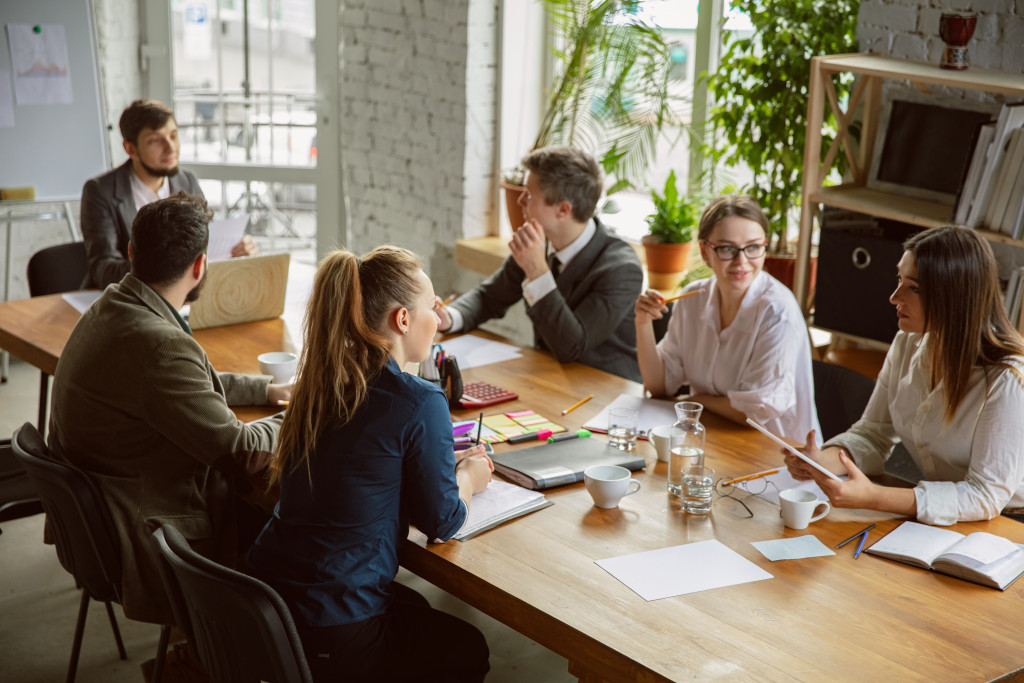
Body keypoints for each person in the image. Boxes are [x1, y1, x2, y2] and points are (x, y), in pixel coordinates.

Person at [48, 193, 290, 680]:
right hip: (145, 530)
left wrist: (266, 390)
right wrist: (304, 412)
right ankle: (212, 655)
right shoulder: (160, 345)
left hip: (102, 513)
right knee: (295, 526)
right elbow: (242, 453)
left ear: (132, 252)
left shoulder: (115, 304)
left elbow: (181, 380)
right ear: (201, 265)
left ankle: (206, 649)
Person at [246, 246, 492, 682]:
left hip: (266, 607)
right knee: (469, 647)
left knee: (415, 606)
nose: (439, 318)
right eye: (433, 306)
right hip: (331, 629)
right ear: (403, 319)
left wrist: (432, 465)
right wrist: (469, 477)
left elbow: (361, 464)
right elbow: (443, 521)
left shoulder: (323, 381)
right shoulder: (419, 401)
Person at [785, 226, 1024, 526]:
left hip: (1007, 523)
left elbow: (985, 495)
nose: (894, 297)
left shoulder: (1007, 379)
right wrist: (821, 461)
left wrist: (874, 497)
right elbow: (873, 434)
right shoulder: (907, 343)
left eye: (914, 288)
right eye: (900, 279)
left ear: (954, 297)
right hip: (946, 517)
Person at [436, 146, 643, 381]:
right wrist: (450, 317)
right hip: (548, 376)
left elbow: (571, 346)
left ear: (563, 209)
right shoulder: (540, 242)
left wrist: (537, 270)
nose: (520, 200)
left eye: (530, 194)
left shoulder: (621, 269)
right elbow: (490, 297)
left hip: (605, 388)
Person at [634, 195, 820, 442]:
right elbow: (659, 385)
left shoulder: (777, 312)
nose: (741, 261)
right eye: (727, 249)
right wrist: (643, 323)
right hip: (712, 435)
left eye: (753, 247)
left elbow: (754, 412)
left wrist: (695, 401)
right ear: (705, 251)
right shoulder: (692, 298)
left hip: (778, 449)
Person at [80, 98, 256, 289]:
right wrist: (167, 267)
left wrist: (235, 250)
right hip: (128, 296)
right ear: (130, 148)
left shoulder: (186, 181)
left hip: (183, 295)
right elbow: (103, 269)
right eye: (155, 140)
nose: (170, 148)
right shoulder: (101, 191)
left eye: (173, 136)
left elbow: (206, 243)